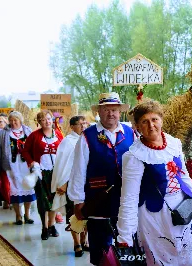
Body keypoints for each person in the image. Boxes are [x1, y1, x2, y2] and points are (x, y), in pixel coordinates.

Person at [116, 100, 192, 266]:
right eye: (144, 121)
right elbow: (129, 198)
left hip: (183, 211)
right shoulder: (134, 156)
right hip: (155, 217)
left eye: (154, 119)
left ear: (161, 120)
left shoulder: (173, 144)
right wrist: (125, 235)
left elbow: (185, 179)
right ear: (136, 126)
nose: (151, 125)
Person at [67, 92, 134, 265]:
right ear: (99, 112)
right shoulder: (87, 136)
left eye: (114, 110)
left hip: (125, 201)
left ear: (120, 112)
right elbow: (78, 170)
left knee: (126, 247)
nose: (110, 114)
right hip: (97, 200)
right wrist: (78, 201)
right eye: (106, 110)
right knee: (100, 249)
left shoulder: (131, 133)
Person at [22, 110, 64, 240]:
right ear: (39, 122)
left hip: (55, 173)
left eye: (49, 119)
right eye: (43, 119)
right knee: (42, 201)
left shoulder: (58, 134)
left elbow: (64, 150)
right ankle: (44, 227)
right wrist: (31, 162)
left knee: (54, 200)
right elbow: (25, 151)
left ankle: (52, 225)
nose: (47, 121)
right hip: (40, 172)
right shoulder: (34, 136)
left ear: (52, 120)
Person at [51, 115, 88, 257]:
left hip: (86, 183)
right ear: (72, 126)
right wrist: (64, 183)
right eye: (80, 124)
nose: (83, 126)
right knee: (74, 214)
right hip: (71, 184)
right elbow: (64, 166)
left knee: (86, 213)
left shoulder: (87, 140)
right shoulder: (68, 142)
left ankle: (85, 240)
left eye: (85, 123)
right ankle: (76, 243)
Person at [0, 112, 36, 224]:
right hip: (11, 166)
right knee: (14, 189)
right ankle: (18, 215)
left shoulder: (28, 131)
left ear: (20, 120)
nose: (13, 122)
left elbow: (34, 147)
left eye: (15, 120)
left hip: (25, 165)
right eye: (11, 120)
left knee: (28, 187)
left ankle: (27, 214)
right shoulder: (3, 133)